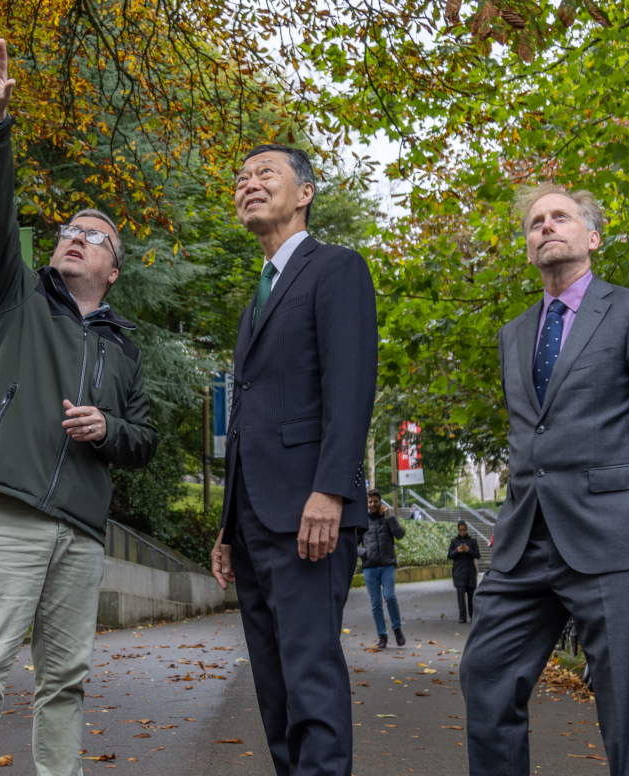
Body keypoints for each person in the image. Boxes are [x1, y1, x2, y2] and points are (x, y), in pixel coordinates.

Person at [0, 32, 160, 776]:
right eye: (69, 229)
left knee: (64, 680)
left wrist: (108, 429)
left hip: (81, 528)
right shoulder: (14, 296)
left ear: (114, 269)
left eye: (93, 236)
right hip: (7, 508)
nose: (74, 237)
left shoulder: (126, 349)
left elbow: (146, 437)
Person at [459, 183, 629, 776]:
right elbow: (529, 438)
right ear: (528, 244)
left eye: (560, 216)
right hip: (524, 543)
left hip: (616, 537)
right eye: (535, 221)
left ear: (591, 237)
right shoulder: (513, 334)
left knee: (626, 704)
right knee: (486, 675)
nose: (546, 225)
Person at [209, 143, 378, 776]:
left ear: (304, 193)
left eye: (265, 174)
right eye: (241, 176)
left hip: (311, 511)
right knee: (274, 688)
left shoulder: (336, 269)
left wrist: (331, 490)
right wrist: (228, 526)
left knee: (310, 676)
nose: (247, 184)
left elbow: (350, 386)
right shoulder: (257, 298)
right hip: (255, 523)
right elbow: (250, 421)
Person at [358, 489, 406, 649]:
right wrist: (363, 553)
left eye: (375, 502)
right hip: (369, 567)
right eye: (370, 502)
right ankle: (382, 635)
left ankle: (397, 629)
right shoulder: (362, 521)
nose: (373, 504)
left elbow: (400, 534)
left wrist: (390, 517)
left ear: (380, 502)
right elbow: (352, 542)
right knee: (376, 603)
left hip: (387, 565)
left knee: (390, 596)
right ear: (367, 503)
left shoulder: (387, 518)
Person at [447, 521, 480, 623]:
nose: (462, 532)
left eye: (464, 530)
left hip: (470, 571)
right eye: (460, 530)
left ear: (466, 530)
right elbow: (449, 555)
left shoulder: (472, 541)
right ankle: (462, 616)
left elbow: (477, 555)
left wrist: (468, 550)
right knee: (460, 594)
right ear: (458, 530)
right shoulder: (454, 542)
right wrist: (457, 550)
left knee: (471, 595)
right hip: (459, 571)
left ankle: (472, 614)